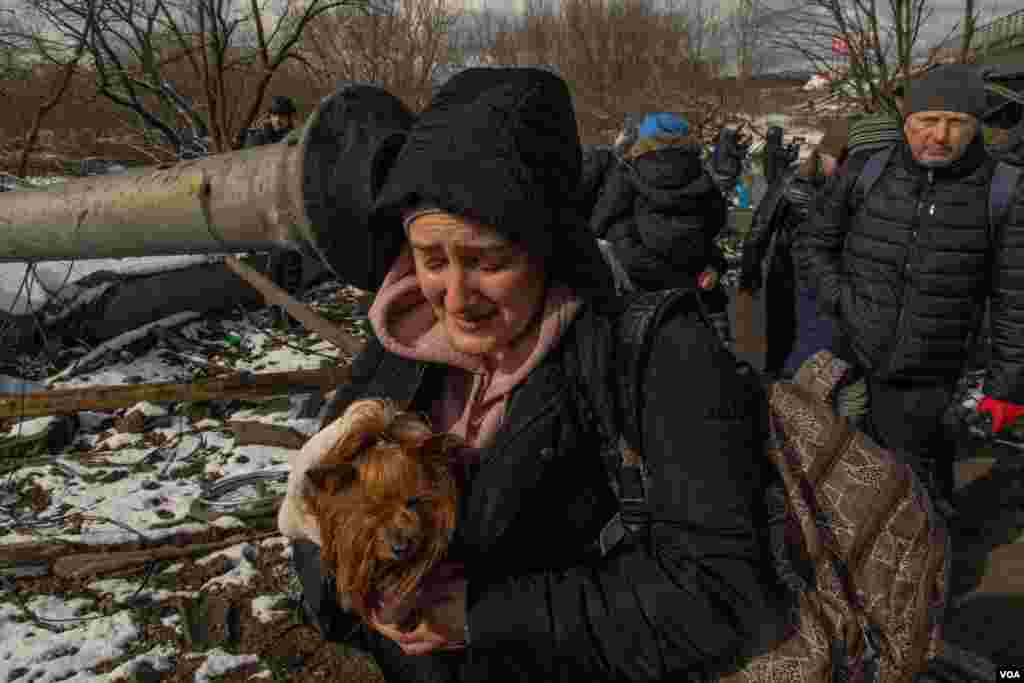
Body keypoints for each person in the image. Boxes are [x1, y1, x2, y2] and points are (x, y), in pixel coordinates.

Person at [288, 69, 786, 682]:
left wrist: (479, 615)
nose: (455, 297)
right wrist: (356, 592)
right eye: (432, 259)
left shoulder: (651, 354)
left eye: (487, 261)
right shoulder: (400, 344)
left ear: (547, 242)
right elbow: (319, 515)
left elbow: (719, 592)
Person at [797, 64, 1024, 503]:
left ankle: (929, 543)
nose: (940, 135)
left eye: (956, 122)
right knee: (846, 475)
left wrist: (1007, 387)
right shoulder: (867, 170)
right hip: (852, 354)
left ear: (976, 126)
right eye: (927, 120)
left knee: (915, 487)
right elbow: (813, 243)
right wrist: (841, 301)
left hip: (930, 375)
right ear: (906, 122)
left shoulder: (1005, 189)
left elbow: (1015, 297)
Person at [589, 112, 731, 340]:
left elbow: (601, 219)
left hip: (639, 281)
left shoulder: (627, 173)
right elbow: (717, 222)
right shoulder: (703, 177)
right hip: (694, 279)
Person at [739, 120, 847, 378]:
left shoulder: (849, 184)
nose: (840, 167)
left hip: (827, 274)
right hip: (787, 267)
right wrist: (750, 273)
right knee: (783, 332)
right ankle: (777, 383)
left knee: (817, 340)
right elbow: (761, 225)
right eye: (837, 159)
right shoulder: (792, 177)